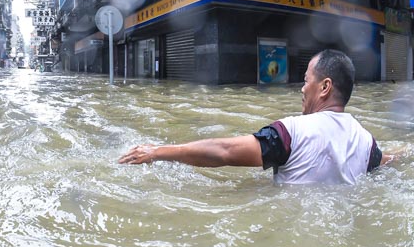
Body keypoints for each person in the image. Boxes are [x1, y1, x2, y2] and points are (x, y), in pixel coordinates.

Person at [118, 49, 392, 184]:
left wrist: (157, 152)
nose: (302, 87)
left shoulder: (292, 132)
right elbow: (386, 161)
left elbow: (225, 151)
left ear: (324, 87)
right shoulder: (368, 145)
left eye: (306, 80)